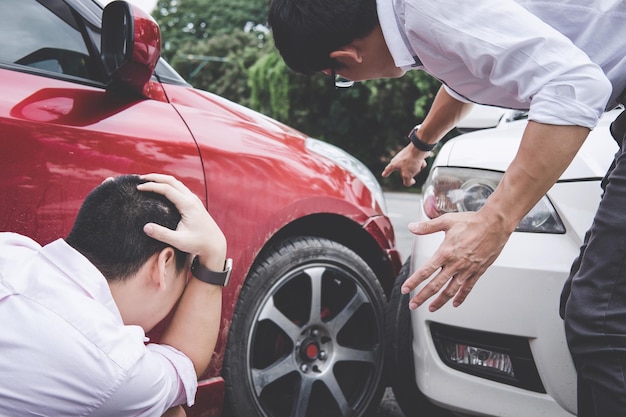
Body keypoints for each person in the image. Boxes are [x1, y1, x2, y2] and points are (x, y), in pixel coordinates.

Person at [267, 0, 626, 415]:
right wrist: (421, 143)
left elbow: (574, 85)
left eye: (338, 78)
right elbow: (463, 75)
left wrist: (494, 220)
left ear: (345, 59)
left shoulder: (428, 9)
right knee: (592, 311)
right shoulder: (417, 20)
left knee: (601, 321)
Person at [0, 173, 229, 416]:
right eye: (188, 273)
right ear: (164, 264)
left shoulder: (11, 248)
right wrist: (214, 254)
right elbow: (183, 366)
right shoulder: (114, 365)